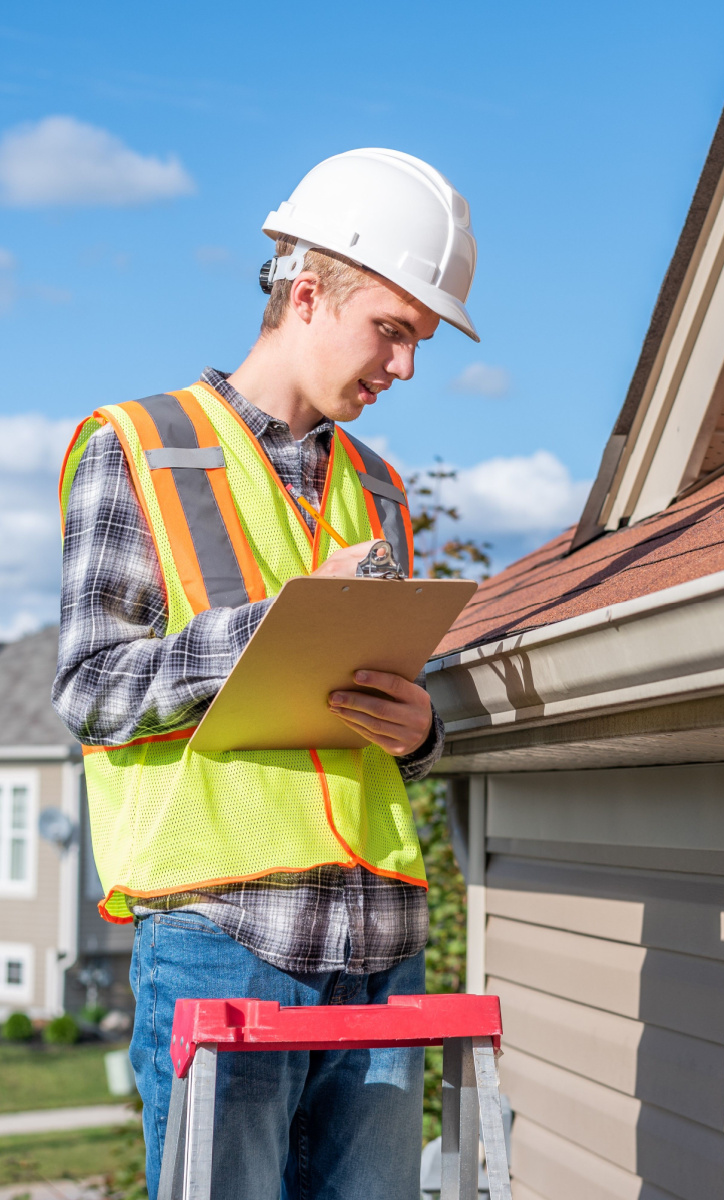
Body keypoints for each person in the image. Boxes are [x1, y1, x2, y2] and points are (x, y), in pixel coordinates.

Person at [52, 148, 479, 1198]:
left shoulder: (378, 490)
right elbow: (93, 690)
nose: (405, 367)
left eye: (418, 342)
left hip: (380, 938)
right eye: (392, 331)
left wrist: (420, 731)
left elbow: (372, 728)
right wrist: (269, 628)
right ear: (304, 295)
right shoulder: (139, 448)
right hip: (225, 933)